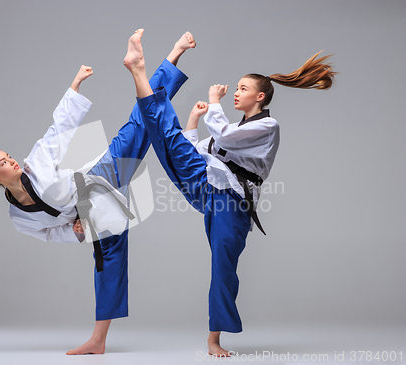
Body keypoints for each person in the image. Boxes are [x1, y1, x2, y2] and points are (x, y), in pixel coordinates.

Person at [0, 31, 196, 355]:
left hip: (97, 176)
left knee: (140, 124)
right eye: (4, 162)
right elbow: (50, 234)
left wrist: (75, 85)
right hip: (94, 216)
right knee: (108, 264)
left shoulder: (36, 164)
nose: (12, 160)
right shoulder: (18, 217)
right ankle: (98, 340)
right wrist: (75, 230)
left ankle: (168, 59)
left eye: (8, 155)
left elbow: (58, 132)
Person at [124, 29, 335, 356]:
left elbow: (220, 137)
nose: (236, 92)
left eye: (243, 88)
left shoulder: (267, 127)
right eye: (236, 88)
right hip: (205, 184)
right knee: (165, 135)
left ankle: (214, 339)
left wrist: (213, 101)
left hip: (231, 205)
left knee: (223, 268)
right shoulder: (237, 129)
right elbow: (197, 147)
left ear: (260, 97)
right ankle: (144, 69)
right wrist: (194, 118)